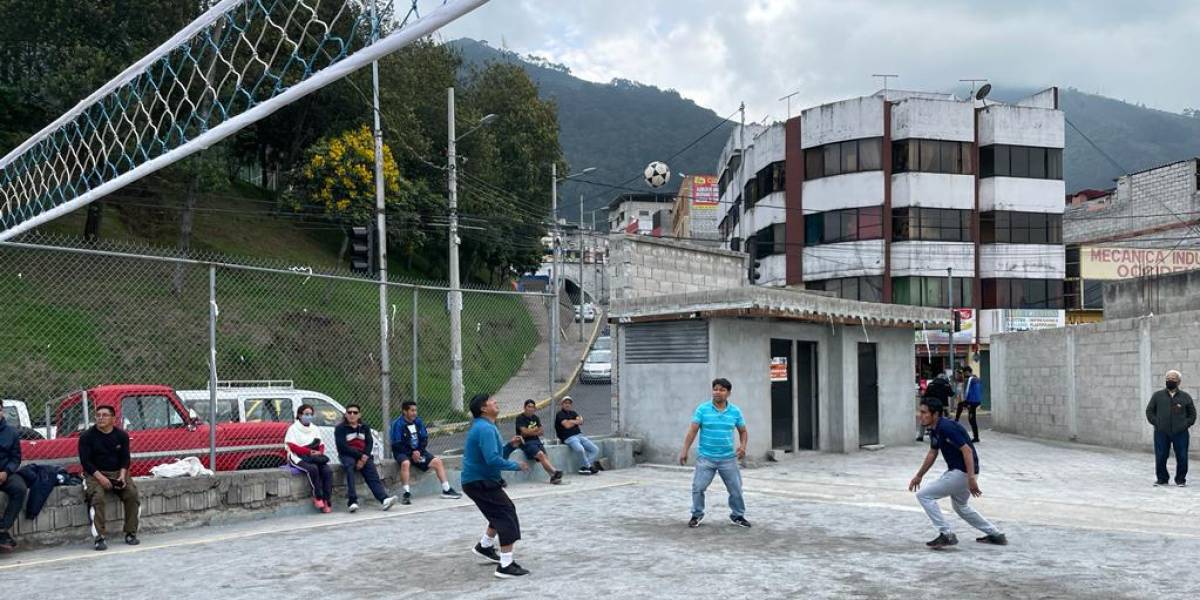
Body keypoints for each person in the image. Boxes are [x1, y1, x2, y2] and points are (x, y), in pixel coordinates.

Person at [908, 397, 1007, 549]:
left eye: (924, 412)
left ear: (935, 414)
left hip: (963, 473)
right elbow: (932, 453)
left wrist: (971, 478)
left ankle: (946, 534)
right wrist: (919, 475)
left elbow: (966, 450)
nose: (920, 415)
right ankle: (995, 534)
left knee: (924, 495)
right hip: (961, 473)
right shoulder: (934, 429)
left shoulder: (947, 427)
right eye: (920, 412)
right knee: (960, 506)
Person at [462, 393, 531, 579]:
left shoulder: (485, 426)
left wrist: (509, 447)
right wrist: (516, 466)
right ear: (484, 408)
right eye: (492, 401)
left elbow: (495, 456)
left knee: (499, 511)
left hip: (477, 481)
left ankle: (484, 546)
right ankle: (505, 565)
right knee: (506, 513)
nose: (496, 403)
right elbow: (492, 460)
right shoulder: (485, 429)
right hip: (479, 481)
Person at [679, 378, 750, 528]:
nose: (717, 392)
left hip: (728, 459)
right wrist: (684, 450)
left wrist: (743, 446)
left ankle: (738, 516)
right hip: (706, 458)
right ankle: (696, 515)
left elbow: (743, 431)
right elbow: (692, 431)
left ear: (728, 393)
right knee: (698, 487)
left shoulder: (735, 412)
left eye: (722, 390)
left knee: (736, 490)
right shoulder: (702, 409)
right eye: (715, 389)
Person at [78, 405, 140, 551]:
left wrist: (122, 476)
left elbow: (125, 459)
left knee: (132, 493)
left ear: (113, 419)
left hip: (117, 472)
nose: (100, 418)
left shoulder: (121, 436)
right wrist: (102, 479)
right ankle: (99, 538)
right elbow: (86, 463)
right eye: (98, 415)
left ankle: (131, 533)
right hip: (95, 474)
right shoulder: (86, 437)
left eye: (105, 415)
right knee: (97, 497)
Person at [389, 400, 462, 503]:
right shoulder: (397, 424)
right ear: (405, 411)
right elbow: (397, 444)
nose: (414, 413)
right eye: (412, 410)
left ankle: (446, 489)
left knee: (437, 462)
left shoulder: (418, 421)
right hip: (403, 453)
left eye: (415, 410)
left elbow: (424, 438)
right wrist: (411, 453)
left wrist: (418, 451)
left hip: (418, 452)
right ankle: (406, 494)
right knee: (405, 463)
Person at [334, 404, 397, 513]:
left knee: (371, 471)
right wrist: (360, 457)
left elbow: (369, 442)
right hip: (347, 455)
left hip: (363, 456)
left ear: (359, 415)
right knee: (349, 468)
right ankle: (352, 501)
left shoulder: (364, 427)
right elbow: (342, 447)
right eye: (349, 412)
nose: (352, 415)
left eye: (355, 412)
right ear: (345, 414)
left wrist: (364, 457)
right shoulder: (340, 428)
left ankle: (384, 499)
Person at [1145, 369, 1197, 487]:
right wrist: (1156, 422)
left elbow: (1192, 414)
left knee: (1182, 456)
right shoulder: (1157, 396)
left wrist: (1185, 424)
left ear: (1179, 381)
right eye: (1168, 379)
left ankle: (1180, 479)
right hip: (1161, 432)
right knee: (1161, 455)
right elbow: (1149, 411)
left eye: (1173, 379)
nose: (1170, 381)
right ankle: (1162, 479)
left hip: (1181, 432)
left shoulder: (1185, 397)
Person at [285, 403, 334, 513]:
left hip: (314, 456)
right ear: (300, 415)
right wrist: (309, 452)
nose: (309, 416)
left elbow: (321, 444)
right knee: (313, 469)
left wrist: (319, 453)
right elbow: (292, 446)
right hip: (298, 456)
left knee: (327, 471)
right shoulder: (293, 429)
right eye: (306, 414)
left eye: (311, 414)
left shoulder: (314, 428)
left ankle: (327, 499)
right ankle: (317, 496)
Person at [514, 400, 563, 484]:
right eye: (529, 406)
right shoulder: (520, 418)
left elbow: (541, 432)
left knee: (545, 457)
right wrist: (534, 430)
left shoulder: (535, 418)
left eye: (532, 407)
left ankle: (553, 477)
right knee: (540, 454)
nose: (531, 409)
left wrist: (529, 431)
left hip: (536, 441)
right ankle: (555, 471)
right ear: (524, 407)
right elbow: (523, 433)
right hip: (526, 443)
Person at [555, 396, 602, 475]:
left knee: (595, 449)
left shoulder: (573, 413)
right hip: (568, 437)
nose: (567, 405)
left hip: (579, 435)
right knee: (580, 450)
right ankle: (589, 467)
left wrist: (571, 421)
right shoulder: (560, 414)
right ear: (562, 404)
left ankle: (584, 467)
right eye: (565, 403)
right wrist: (575, 421)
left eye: (569, 403)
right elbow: (567, 425)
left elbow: (581, 421)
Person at [0, 407, 25, 552]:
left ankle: (3, 528)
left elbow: (16, 458)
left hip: (5, 473)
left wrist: (6, 472)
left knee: (20, 489)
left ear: (1, 411)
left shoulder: (11, 433)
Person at [918, 371, 955, 442]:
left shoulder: (931, 384)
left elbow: (926, 395)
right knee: (947, 420)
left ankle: (920, 436)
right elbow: (951, 394)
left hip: (931, 406)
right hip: (943, 406)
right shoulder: (946, 384)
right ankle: (948, 435)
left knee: (924, 419)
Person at [955, 365, 983, 442]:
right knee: (961, 407)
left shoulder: (970, 379)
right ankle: (976, 436)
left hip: (972, 401)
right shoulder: (976, 378)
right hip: (976, 400)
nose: (964, 375)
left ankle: (976, 437)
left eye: (964, 373)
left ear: (967, 372)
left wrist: (966, 400)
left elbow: (967, 391)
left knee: (971, 419)